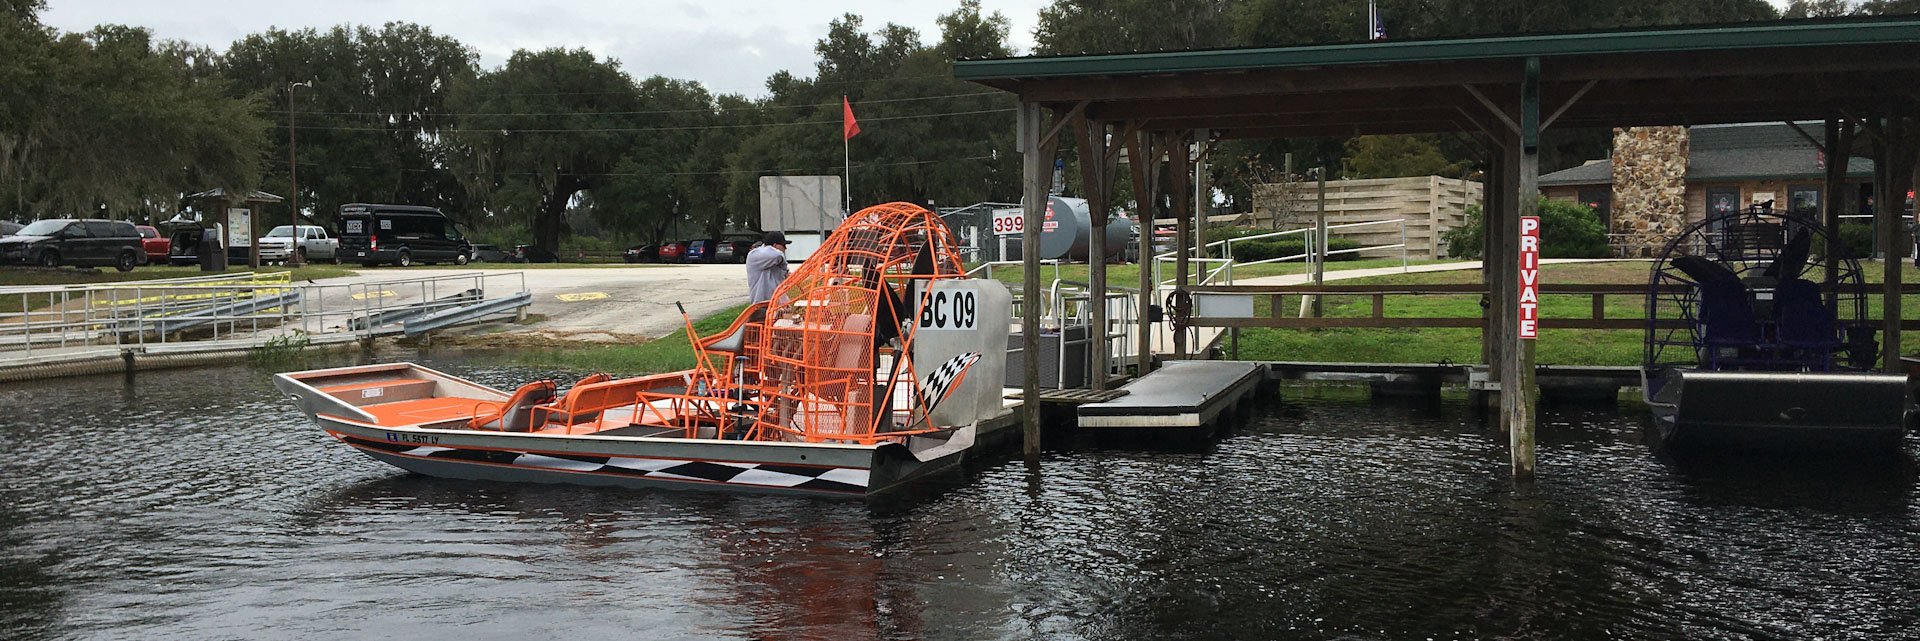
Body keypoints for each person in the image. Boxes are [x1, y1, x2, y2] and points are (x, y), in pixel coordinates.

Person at [746, 231, 789, 304]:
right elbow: (777, 255)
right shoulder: (754, 255)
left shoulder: (773, 261)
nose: (785, 248)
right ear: (775, 246)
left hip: (777, 305)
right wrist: (784, 266)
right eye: (783, 245)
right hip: (761, 305)